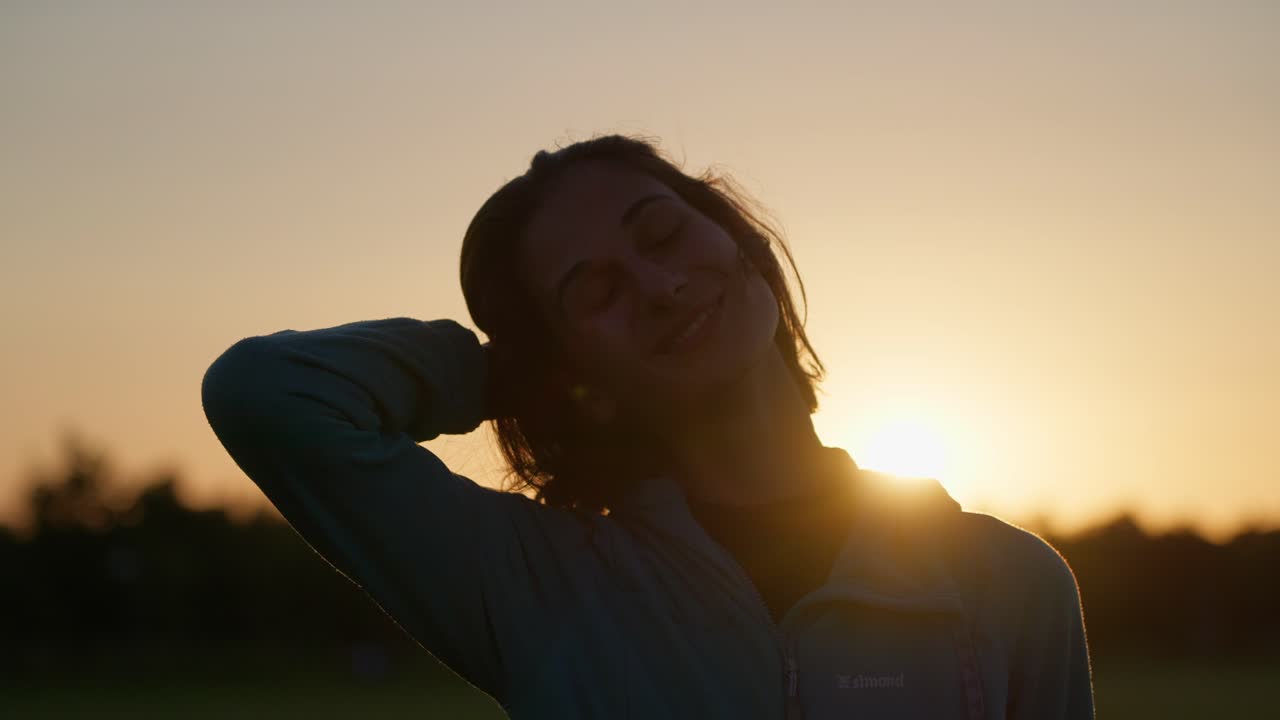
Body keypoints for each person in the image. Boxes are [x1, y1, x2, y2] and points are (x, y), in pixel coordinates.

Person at [201, 134, 1095, 719]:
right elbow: (265, 395)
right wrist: (518, 376)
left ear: (738, 239)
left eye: (663, 235)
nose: (659, 288)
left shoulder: (1007, 584)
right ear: (565, 363)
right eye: (595, 293)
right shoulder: (539, 589)